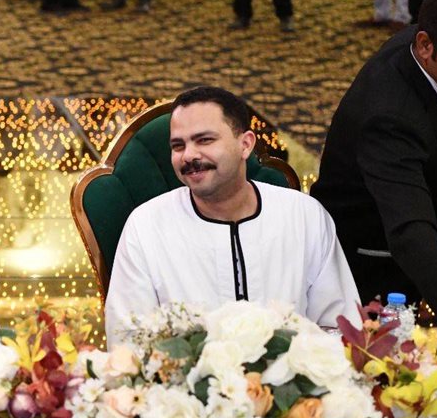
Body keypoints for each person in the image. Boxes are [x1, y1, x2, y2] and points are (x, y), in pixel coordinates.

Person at [104, 86, 362, 344]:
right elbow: (129, 342)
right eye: (178, 145)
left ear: (245, 144)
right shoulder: (146, 227)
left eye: (204, 140)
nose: (189, 155)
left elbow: (341, 328)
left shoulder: (304, 217)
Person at [312, 0, 437, 310]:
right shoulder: (389, 119)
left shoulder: (426, 46)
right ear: (425, 45)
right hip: (375, 270)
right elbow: (411, 232)